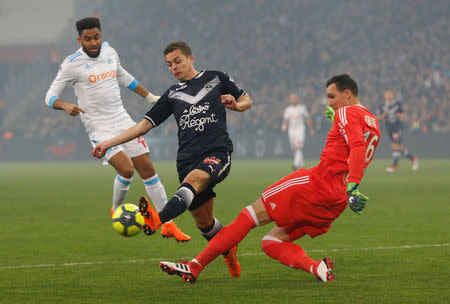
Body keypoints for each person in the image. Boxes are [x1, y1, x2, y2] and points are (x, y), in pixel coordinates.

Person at [157, 74, 381, 284]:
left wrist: (354, 185)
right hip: (335, 202)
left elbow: (357, 147)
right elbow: (350, 149)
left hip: (315, 185)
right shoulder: (372, 121)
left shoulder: (347, 112)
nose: (330, 103)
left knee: (248, 216)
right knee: (270, 242)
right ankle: (316, 267)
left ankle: (195, 266)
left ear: (348, 94)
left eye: (332, 97)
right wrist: (348, 186)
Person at [92, 41, 253, 278]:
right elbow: (142, 126)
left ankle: (158, 219)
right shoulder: (171, 94)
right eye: (169, 64)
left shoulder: (216, 78)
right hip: (186, 159)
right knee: (204, 223)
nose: (173, 67)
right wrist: (108, 143)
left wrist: (236, 106)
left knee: (194, 180)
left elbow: (247, 99)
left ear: (191, 58)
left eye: (177, 61)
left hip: (216, 153)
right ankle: (229, 251)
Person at [44, 17, 190, 242]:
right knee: (126, 169)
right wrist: (64, 105)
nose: (93, 42)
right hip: (99, 127)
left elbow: (124, 77)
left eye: (96, 37)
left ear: (100, 35)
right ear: (79, 40)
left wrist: (149, 96)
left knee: (148, 170)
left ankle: (167, 223)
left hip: (122, 120)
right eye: (88, 39)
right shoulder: (71, 64)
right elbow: (50, 96)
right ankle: (116, 210)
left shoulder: (110, 51)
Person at [377, 89, 418, 172]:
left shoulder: (397, 104)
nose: (388, 95)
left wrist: (399, 115)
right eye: (387, 94)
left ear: (392, 95)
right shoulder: (382, 106)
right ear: (385, 95)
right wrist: (383, 115)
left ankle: (395, 166)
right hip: (389, 128)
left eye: (390, 93)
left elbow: (403, 115)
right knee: (399, 148)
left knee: (395, 145)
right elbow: (379, 118)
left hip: (397, 127)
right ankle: (412, 158)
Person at [281, 92, 315, 170]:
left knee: (298, 147)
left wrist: (311, 128)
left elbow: (307, 118)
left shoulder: (302, 108)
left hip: (300, 130)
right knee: (295, 149)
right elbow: (285, 119)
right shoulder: (288, 109)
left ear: (297, 99)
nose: (293, 100)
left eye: (294, 98)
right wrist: (284, 127)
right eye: (291, 98)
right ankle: (302, 165)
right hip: (291, 131)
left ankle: (295, 164)